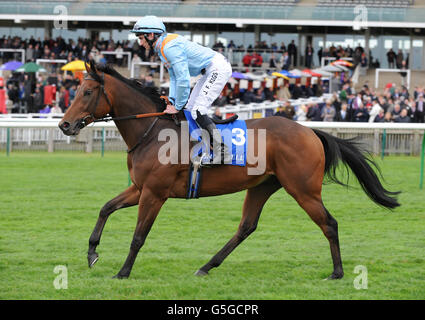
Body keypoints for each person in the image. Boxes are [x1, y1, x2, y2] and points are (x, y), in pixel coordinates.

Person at [131, 16, 232, 163]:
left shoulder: (168, 48)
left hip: (217, 68)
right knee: (190, 109)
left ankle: (222, 151)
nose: (140, 43)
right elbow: (174, 77)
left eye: (141, 38)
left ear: (151, 35)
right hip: (208, 70)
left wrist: (177, 106)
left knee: (198, 110)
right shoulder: (162, 48)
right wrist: (172, 101)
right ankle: (204, 147)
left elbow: (184, 80)